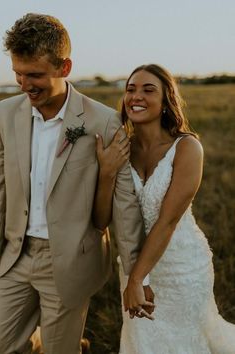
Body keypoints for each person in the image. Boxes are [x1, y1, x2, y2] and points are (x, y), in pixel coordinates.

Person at [0, 13, 149, 354]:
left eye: (35, 75)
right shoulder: (4, 115)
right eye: (17, 74)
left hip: (69, 260)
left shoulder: (104, 120)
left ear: (64, 68)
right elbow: (1, 189)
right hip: (14, 256)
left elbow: (124, 205)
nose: (24, 86)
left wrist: (135, 276)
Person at [94, 63, 235, 353]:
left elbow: (168, 221)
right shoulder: (121, 148)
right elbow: (100, 221)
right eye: (130, 89)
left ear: (166, 100)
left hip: (181, 268)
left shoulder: (187, 148)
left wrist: (136, 280)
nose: (136, 96)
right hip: (133, 262)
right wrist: (106, 172)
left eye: (148, 90)